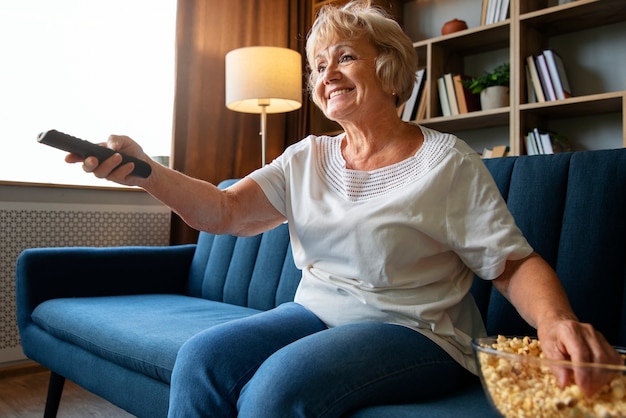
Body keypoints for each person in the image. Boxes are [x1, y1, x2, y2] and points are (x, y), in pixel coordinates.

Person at [67, 1, 621, 416]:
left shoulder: (446, 162)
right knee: (202, 359)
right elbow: (225, 212)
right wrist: (146, 171)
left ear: (389, 67)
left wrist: (557, 322)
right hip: (315, 311)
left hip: (416, 330)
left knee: (275, 390)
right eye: (317, 65)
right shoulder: (307, 155)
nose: (325, 73)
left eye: (345, 57)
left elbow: (512, 262)